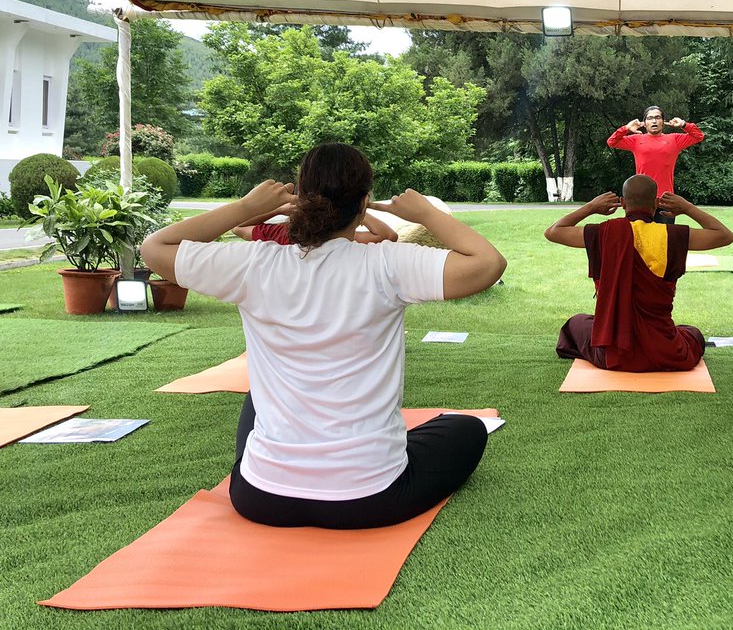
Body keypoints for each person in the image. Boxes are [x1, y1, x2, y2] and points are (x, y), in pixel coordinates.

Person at [141, 142, 507, 530]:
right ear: (364, 203)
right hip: (370, 499)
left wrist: (246, 206)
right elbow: (488, 263)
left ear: (300, 197)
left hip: (260, 497)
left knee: (257, 395)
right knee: (464, 429)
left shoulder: (253, 262)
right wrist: (425, 214)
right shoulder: (386, 264)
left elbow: (155, 247)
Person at [545, 174, 733, 372]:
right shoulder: (671, 235)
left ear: (623, 203)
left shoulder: (604, 233)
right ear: (656, 204)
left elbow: (553, 231)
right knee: (692, 333)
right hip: (666, 351)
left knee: (577, 323)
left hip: (614, 353)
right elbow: (725, 235)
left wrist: (591, 207)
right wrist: (687, 208)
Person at [607, 106, 704, 223]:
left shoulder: (674, 139)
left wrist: (683, 124)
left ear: (663, 122)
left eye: (657, 117)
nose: (654, 121)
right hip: (641, 199)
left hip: (665, 200)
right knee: (639, 238)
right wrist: (626, 128)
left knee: (665, 238)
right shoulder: (636, 140)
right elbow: (612, 142)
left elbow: (698, 136)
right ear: (645, 123)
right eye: (650, 118)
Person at [230, 202, 399, 245]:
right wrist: (357, 206)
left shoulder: (279, 233)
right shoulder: (340, 237)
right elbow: (388, 235)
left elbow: (238, 227)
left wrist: (277, 210)